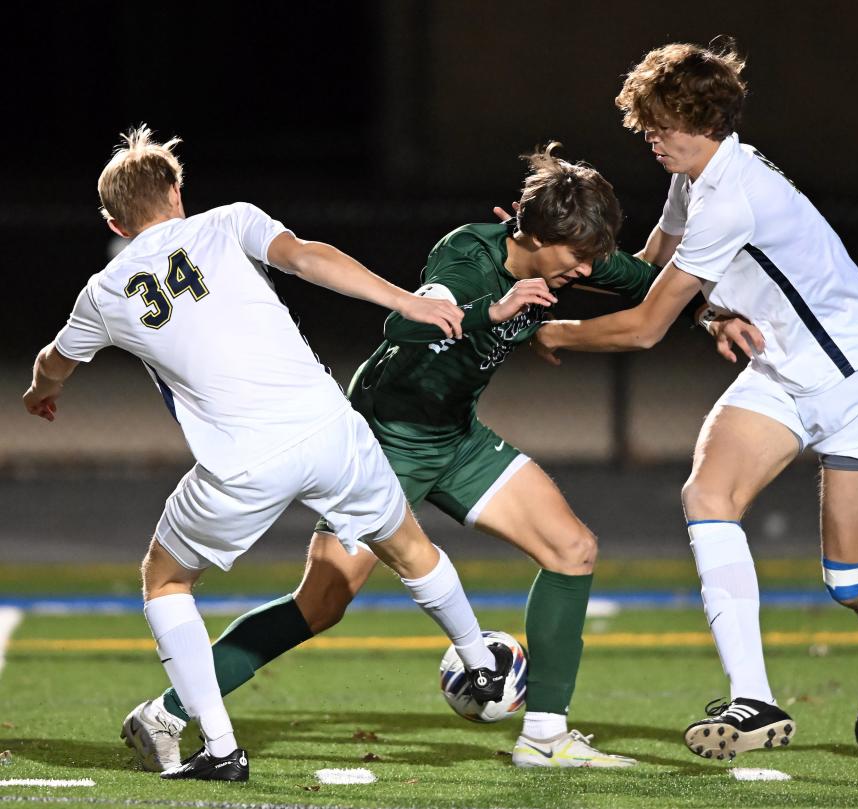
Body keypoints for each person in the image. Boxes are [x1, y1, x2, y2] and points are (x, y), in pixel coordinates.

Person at [124, 143, 658, 770]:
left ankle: (544, 735)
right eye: (578, 258)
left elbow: (656, 287)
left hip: (456, 439)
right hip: (382, 442)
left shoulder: (574, 253)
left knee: (573, 550)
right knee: (321, 603)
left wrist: (713, 316)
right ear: (534, 235)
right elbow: (405, 326)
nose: (588, 270)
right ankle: (165, 712)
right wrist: (495, 309)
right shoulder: (467, 253)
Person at [23, 125, 514, 782]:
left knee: (165, 580)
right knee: (407, 545)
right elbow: (309, 256)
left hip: (241, 463)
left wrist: (39, 393)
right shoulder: (229, 221)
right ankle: (480, 661)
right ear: (176, 192)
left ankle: (220, 747)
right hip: (329, 429)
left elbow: (55, 362)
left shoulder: (104, 292)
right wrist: (403, 299)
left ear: (113, 219)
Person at [527, 42, 858, 760]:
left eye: (662, 122)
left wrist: (553, 330)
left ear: (702, 120)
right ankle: (756, 698)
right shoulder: (698, 177)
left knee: (849, 578)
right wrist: (539, 256)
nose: (650, 134)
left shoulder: (730, 195)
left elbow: (647, 324)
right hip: (779, 370)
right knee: (707, 495)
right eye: (645, 120)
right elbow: (646, 269)